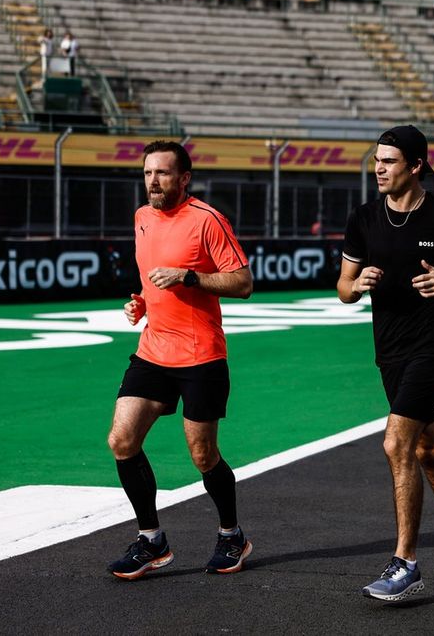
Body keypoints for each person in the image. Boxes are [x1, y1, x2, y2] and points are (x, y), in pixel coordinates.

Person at [337, 125, 434, 602]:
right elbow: (343, 288)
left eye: (387, 161)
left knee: (396, 443)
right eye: (376, 160)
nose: (378, 168)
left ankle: (404, 563)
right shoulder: (363, 218)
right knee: (427, 450)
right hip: (389, 349)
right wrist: (357, 284)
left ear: (415, 166)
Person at [106, 140, 254, 580]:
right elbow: (154, 282)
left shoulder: (207, 220)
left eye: (163, 173)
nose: (153, 181)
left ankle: (232, 535)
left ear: (184, 178)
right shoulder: (142, 217)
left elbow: (243, 282)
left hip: (200, 355)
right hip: (153, 350)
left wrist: (189, 277)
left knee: (203, 455)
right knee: (121, 440)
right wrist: (141, 304)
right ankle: (152, 540)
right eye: (148, 172)